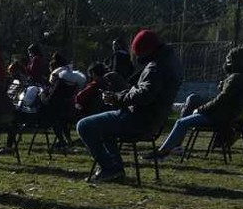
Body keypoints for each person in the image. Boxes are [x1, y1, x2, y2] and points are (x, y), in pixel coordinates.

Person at [75, 29, 181, 182]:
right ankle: (114, 170)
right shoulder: (171, 61)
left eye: (140, 55)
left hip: (137, 120)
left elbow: (145, 95)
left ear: (147, 51)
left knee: (84, 125)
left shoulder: (156, 67)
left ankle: (110, 168)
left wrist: (117, 98)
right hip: (153, 121)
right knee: (104, 129)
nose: (139, 58)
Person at [148, 43, 243, 159]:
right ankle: (183, 107)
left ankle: (163, 152)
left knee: (181, 122)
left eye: (229, 60)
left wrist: (201, 109)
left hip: (218, 117)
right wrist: (223, 86)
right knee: (193, 98)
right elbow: (227, 99)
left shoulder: (236, 78)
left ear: (235, 61)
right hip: (225, 115)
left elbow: (221, 100)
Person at [43, 53, 87, 149]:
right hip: (68, 107)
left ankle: (62, 141)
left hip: (56, 107)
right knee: (62, 121)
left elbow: (52, 93)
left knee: (54, 119)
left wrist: (45, 99)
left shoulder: (58, 77)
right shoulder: (73, 77)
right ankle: (68, 140)